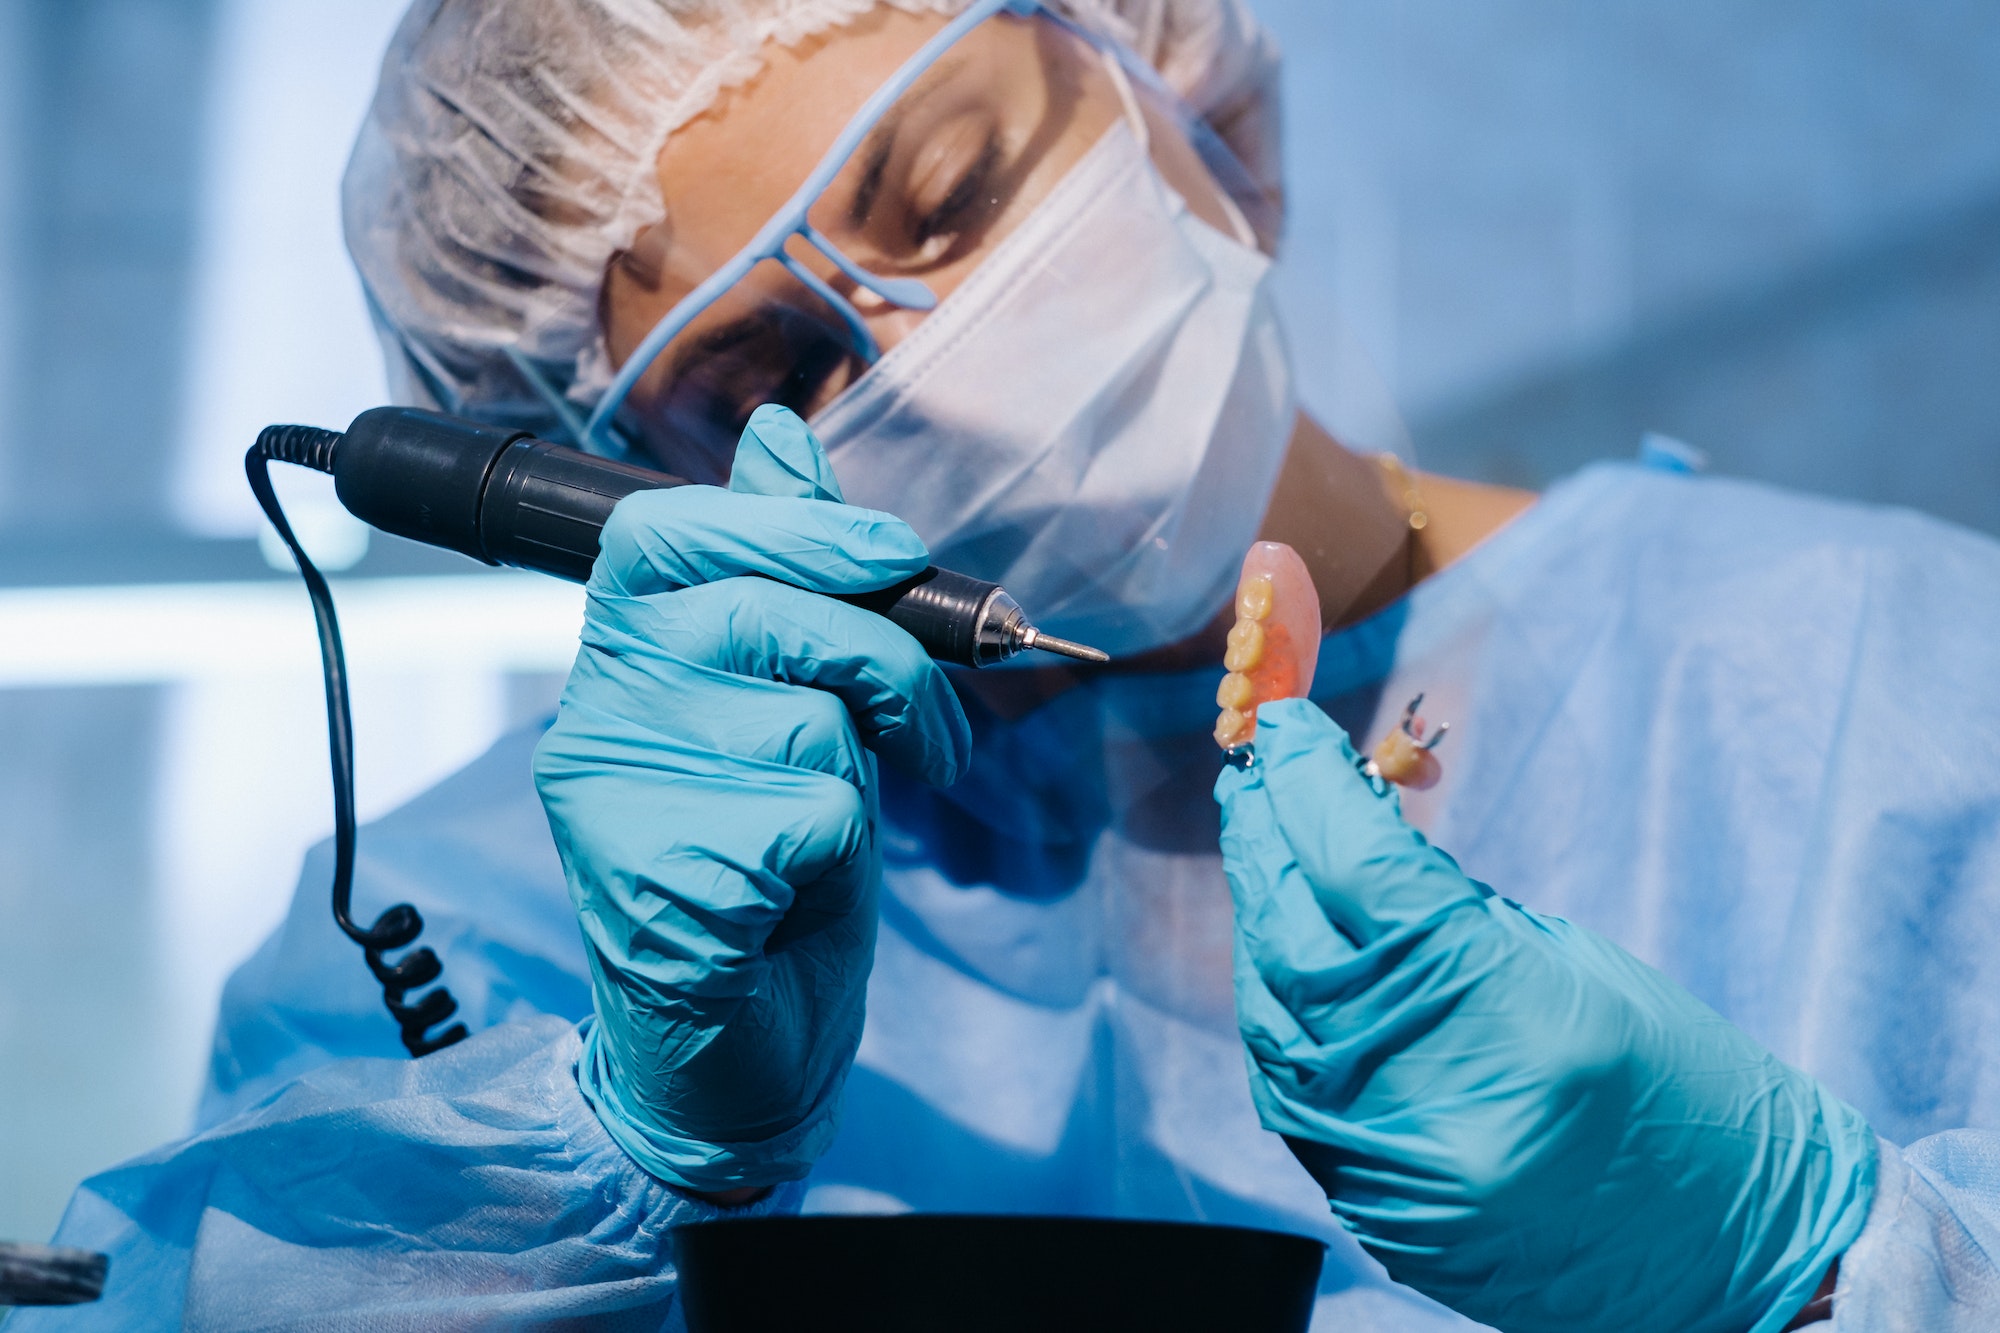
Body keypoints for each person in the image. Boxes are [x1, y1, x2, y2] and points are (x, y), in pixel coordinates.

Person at [21, 0, 2000, 1328]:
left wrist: (1810, 1263)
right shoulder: (510, 926)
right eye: (770, 374)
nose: (937, 369)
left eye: (958, 192)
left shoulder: (1892, 692)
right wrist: (629, 1135)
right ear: (614, 495)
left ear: (1188, 93)